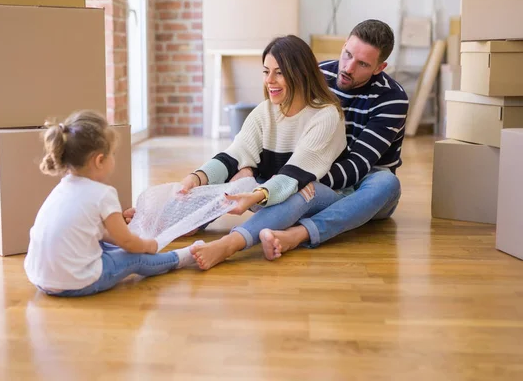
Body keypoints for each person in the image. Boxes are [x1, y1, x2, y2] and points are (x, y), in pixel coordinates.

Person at [183, 34, 348, 270]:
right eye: (266, 71)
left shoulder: (326, 115)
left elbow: (295, 174)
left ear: (301, 74)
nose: (270, 80)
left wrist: (255, 194)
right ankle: (184, 219)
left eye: (279, 72)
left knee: (298, 189)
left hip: (323, 195)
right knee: (236, 172)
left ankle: (230, 244)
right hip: (273, 190)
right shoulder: (265, 112)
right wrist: (197, 177)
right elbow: (235, 154)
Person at [250, 19, 409, 260]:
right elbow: (280, 126)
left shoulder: (392, 98)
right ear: (344, 44)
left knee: (386, 183)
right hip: (314, 173)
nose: (348, 67)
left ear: (379, 67)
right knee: (248, 170)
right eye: (347, 54)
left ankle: (300, 233)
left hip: (361, 183)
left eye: (363, 64)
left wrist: (297, 180)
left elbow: (358, 165)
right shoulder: (318, 75)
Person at [23, 110, 198, 297]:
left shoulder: (62, 188)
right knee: (135, 257)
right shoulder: (103, 194)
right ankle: (179, 257)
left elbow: (102, 234)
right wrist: (149, 246)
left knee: (105, 243)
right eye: (112, 154)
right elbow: (128, 243)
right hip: (75, 283)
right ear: (99, 160)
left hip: (40, 278)